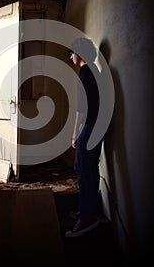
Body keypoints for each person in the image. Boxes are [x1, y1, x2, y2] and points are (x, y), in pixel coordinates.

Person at [65, 37, 102, 238]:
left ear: (79, 52)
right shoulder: (94, 71)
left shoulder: (86, 71)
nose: (70, 56)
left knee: (82, 168)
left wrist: (74, 134)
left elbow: (82, 107)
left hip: (91, 125)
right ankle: (87, 210)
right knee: (89, 168)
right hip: (99, 125)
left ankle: (86, 216)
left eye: (71, 52)